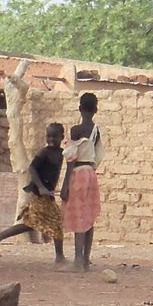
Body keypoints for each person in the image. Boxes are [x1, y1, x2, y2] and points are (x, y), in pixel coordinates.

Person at [0, 123, 65, 264]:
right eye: (48, 136)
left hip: (47, 194)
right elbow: (32, 169)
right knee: (53, 223)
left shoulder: (61, 153)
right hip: (39, 193)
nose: (51, 139)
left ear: (62, 137)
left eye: (54, 136)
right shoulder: (44, 152)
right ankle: (60, 258)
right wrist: (41, 187)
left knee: (41, 223)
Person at [61, 92, 104, 272]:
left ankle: (77, 261)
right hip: (90, 174)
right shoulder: (96, 130)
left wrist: (65, 185)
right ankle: (85, 260)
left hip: (78, 173)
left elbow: (71, 158)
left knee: (79, 217)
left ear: (79, 108)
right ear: (96, 110)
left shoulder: (75, 130)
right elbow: (99, 154)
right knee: (88, 217)